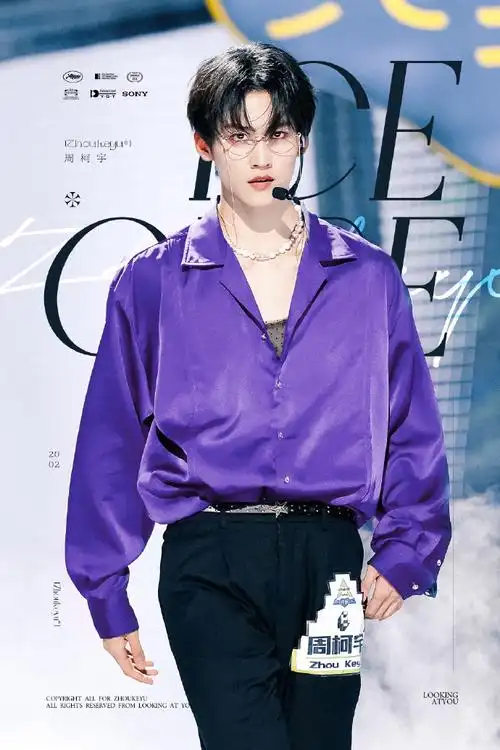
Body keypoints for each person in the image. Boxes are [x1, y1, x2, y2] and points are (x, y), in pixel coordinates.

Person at [64, 41, 452, 750]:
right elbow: (112, 441)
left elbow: (411, 425)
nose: (261, 155)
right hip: (208, 558)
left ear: (301, 139)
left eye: (278, 133)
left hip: (329, 564)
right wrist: (104, 591)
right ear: (205, 145)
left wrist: (407, 551)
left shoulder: (367, 278)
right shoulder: (152, 282)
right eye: (239, 136)